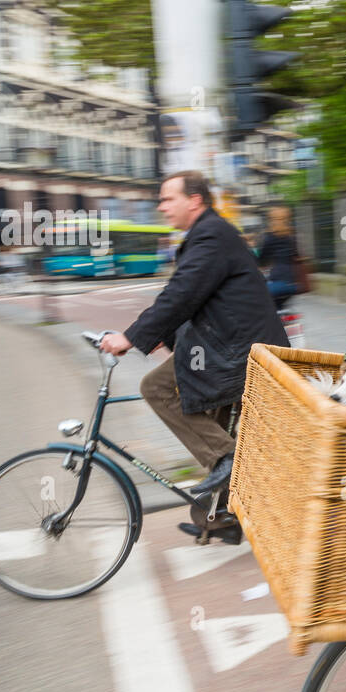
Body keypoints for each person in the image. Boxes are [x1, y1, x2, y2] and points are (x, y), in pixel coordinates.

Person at [99, 171, 289, 532]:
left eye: (168, 198)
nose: (161, 206)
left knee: (157, 389)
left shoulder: (211, 235)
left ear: (195, 200)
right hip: (229, 348)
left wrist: (131, 337)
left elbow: (182, 294)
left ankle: (230, 465)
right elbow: (192, 298)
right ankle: (221, 516)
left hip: (238, 352)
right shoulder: (207, 234)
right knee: (209, 428)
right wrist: (157, 337)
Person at [256, 206, 303, 311]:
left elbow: (262, 259)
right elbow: (296, 255)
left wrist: (259, 265)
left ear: (271, 219)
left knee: (258, 299)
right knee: (280, 307)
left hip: (278, 282)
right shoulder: (292, 235)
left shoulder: (269, 237)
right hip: (293, 283)